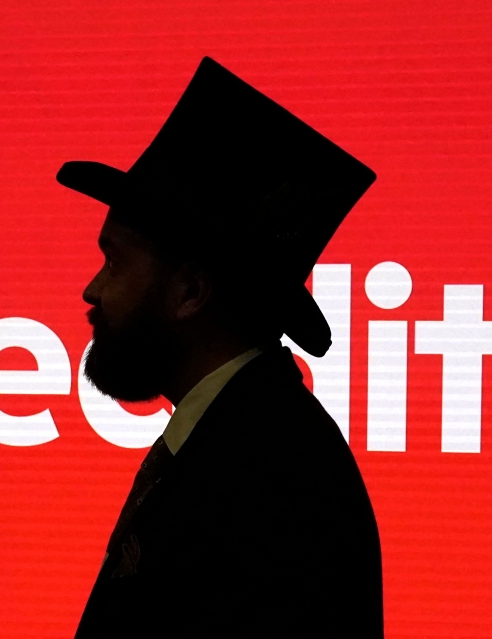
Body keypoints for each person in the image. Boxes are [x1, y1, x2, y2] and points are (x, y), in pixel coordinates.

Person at [57, 57, 383, 638]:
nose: (92, 288)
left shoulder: (271, 483)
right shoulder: (245, 440)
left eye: (115, 261)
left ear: (189, 292)